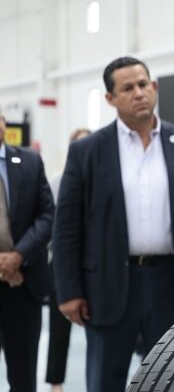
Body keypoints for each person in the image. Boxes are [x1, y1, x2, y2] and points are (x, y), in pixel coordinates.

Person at [53, 56, 174, 392]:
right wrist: (69, 291)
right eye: (127, 88)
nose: (139, 93)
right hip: (109, 283)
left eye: (144, 84)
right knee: (105, 379)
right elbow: (67, 227)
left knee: (173, 376)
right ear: (110, 99)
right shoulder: (87, 151)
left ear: (154, 88)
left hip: (172, 282)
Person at [0, 108, 54, 392]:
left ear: (3, 123)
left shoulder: (30, 162)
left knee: (23, 378)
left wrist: (18, 255)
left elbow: (47, 215)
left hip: (24, 286)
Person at [46, 128, 91, 392]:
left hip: (95, 264)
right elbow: (55, 224)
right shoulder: (59, 179)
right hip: (63, 262)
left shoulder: (106, 179)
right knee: (58, 326)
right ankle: (56, 381)